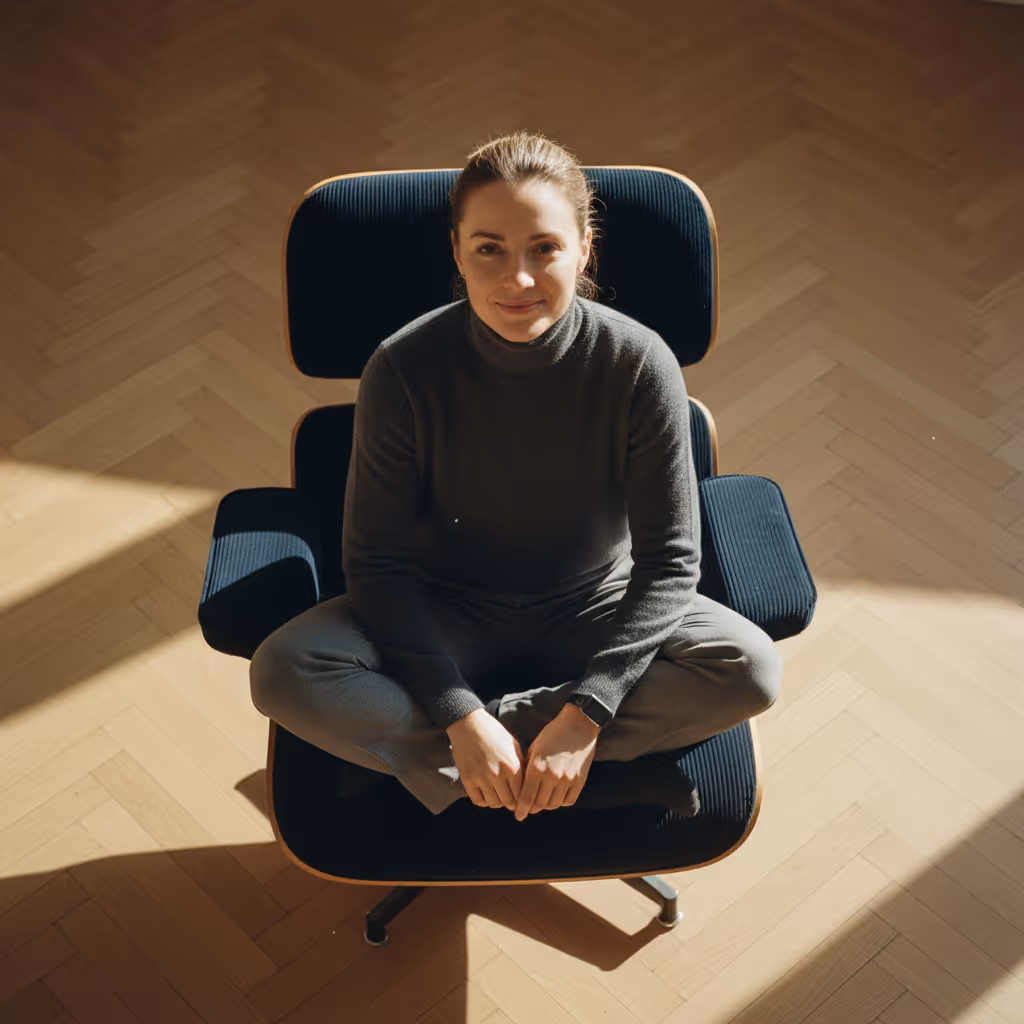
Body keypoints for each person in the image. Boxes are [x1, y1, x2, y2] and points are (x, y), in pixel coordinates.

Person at [249, 129, 783, 822]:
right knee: (283, 670)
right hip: (444, 608)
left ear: (585, 246)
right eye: (489, 249)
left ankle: (452, 768)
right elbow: (376, 563)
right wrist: (459, 713)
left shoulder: (639, 362)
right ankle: (568, 774)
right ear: (457, 252)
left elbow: (671, 562)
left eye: (545, 248)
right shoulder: (403, 366)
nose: (518, 279)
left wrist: (585, 714)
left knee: (751, 668)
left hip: (596, 603)